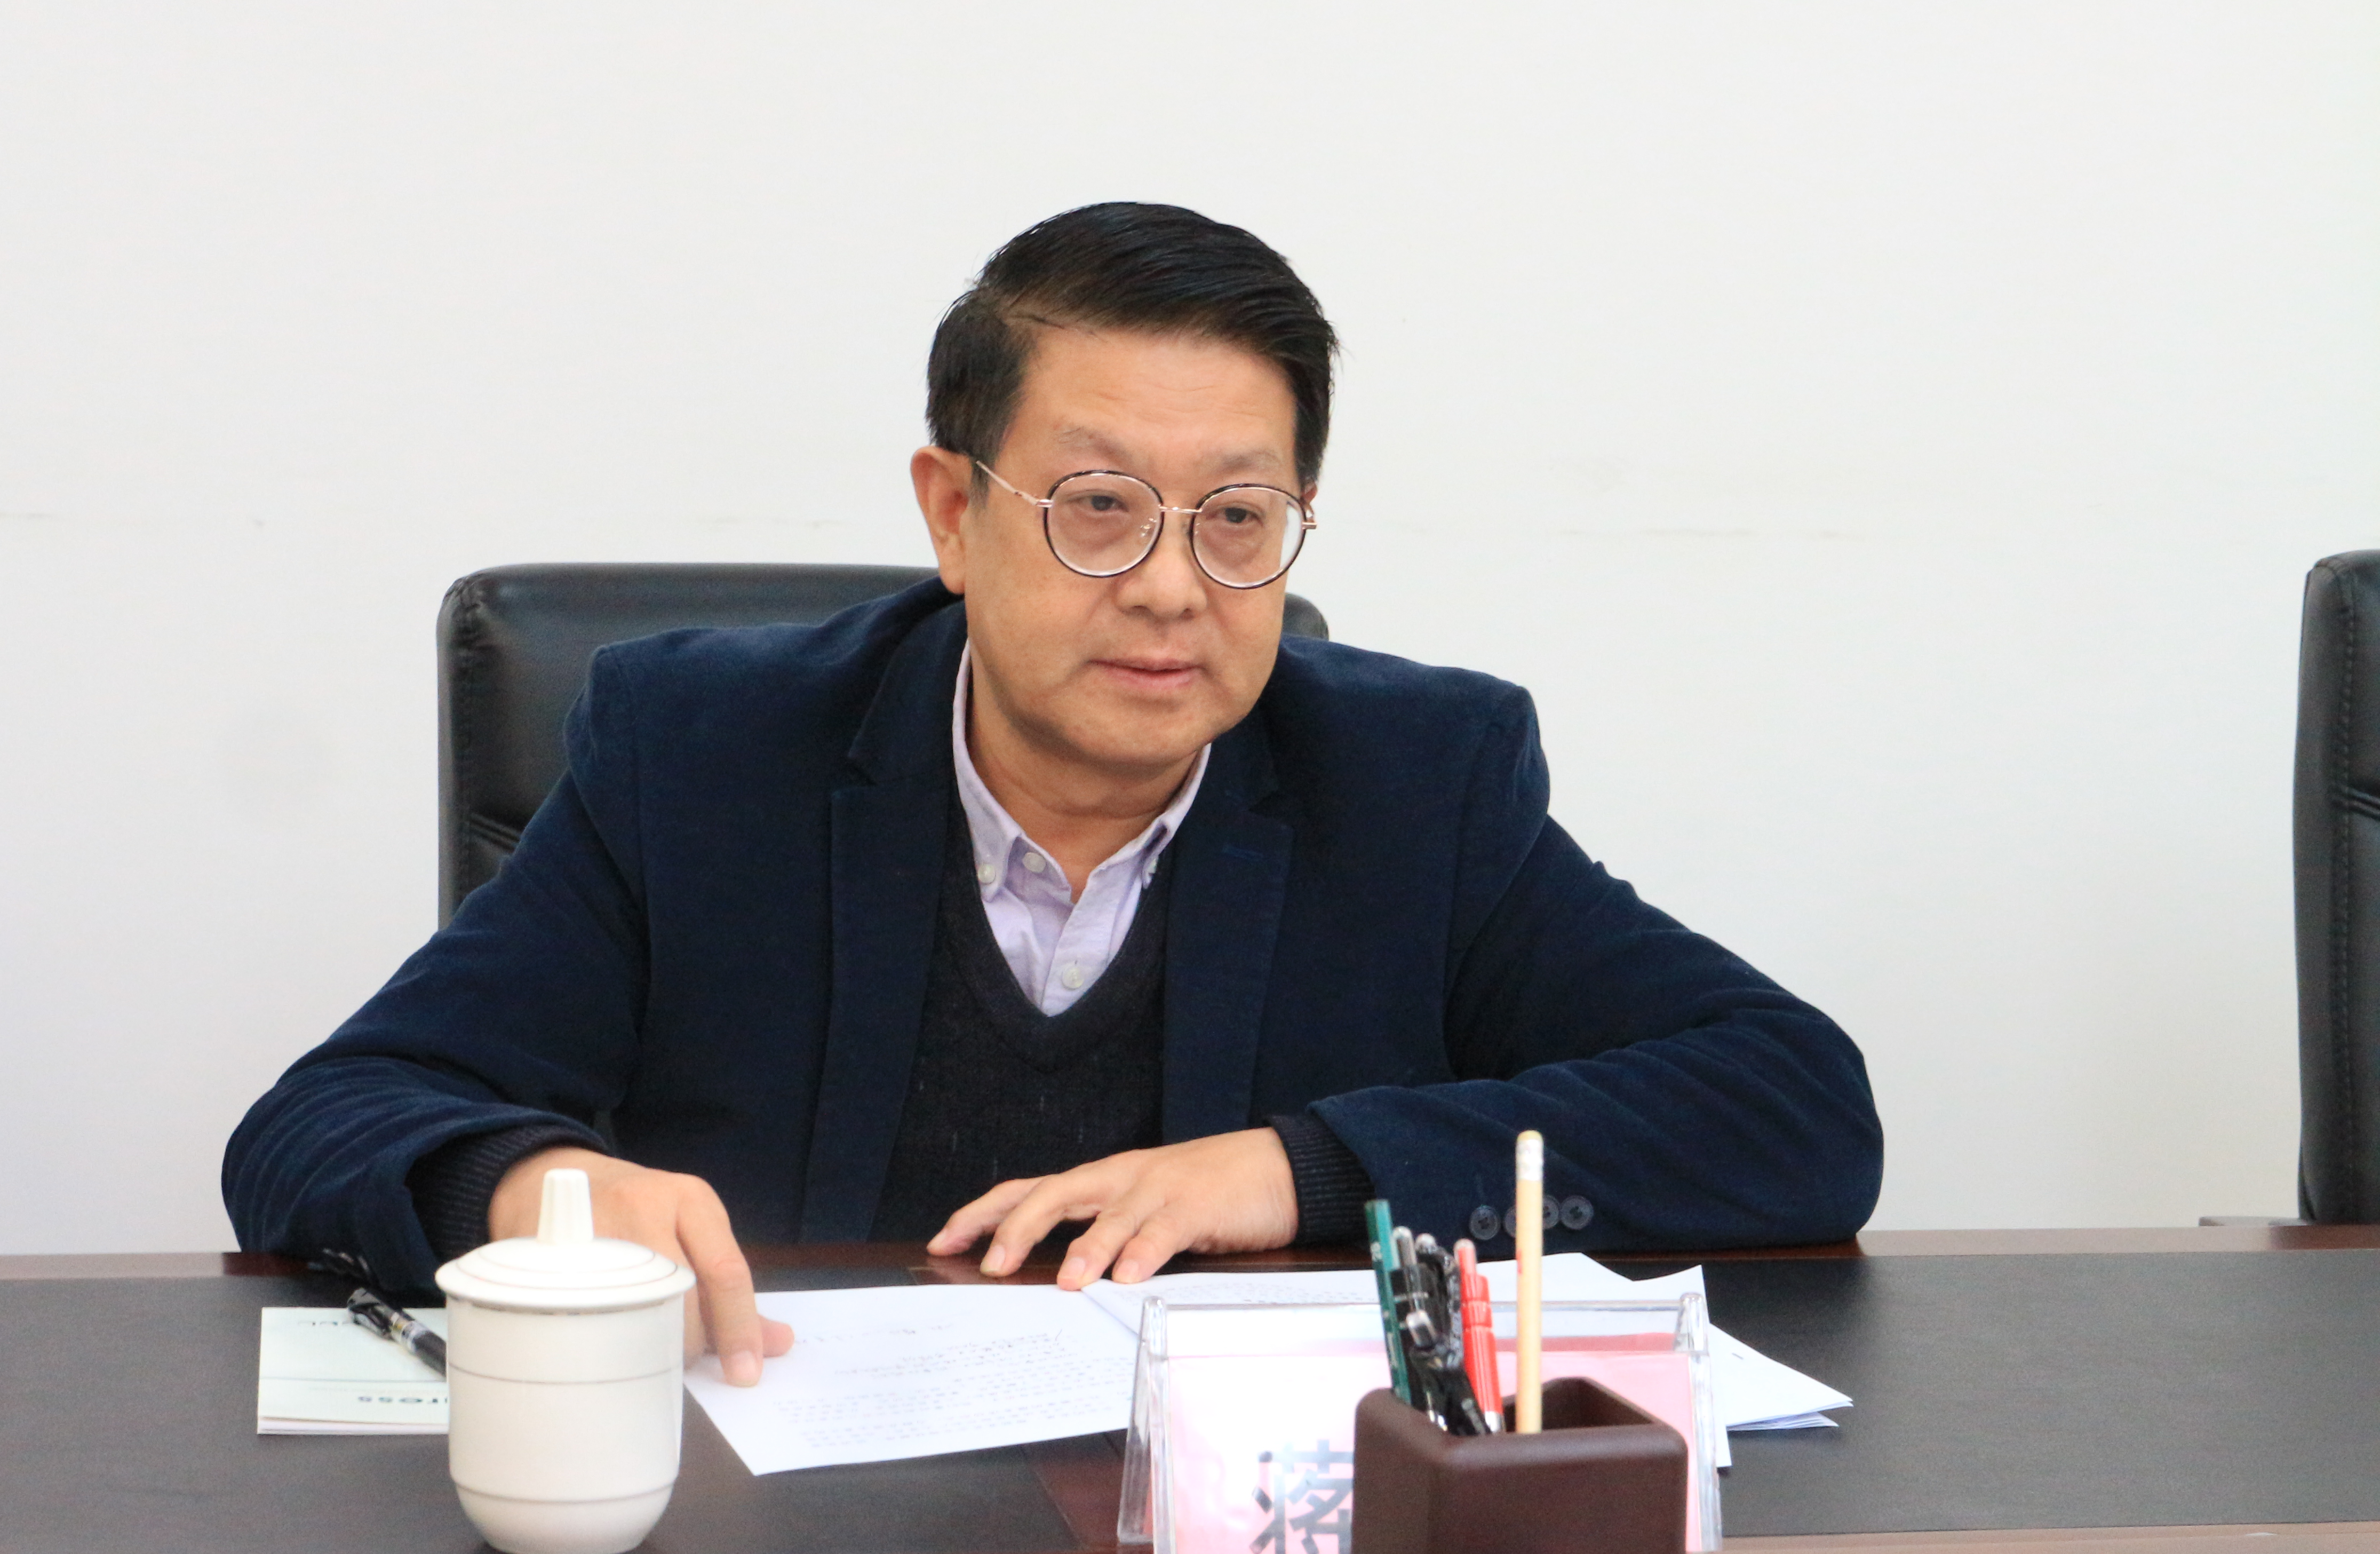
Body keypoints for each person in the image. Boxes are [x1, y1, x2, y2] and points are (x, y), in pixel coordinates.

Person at [223, 202, 1883, 1389]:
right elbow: (320, 1124)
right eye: (1099, 505)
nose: (1171, 585)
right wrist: (537, 1192)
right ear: (954, 515)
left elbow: (1795, 1109)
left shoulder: (1415, 781)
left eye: (1237, 518)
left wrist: (1300, 1169)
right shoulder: (702, 756)